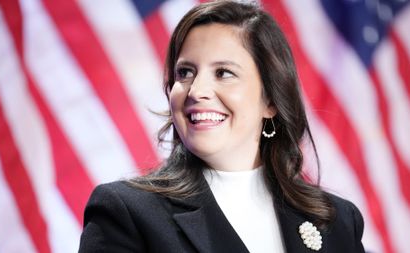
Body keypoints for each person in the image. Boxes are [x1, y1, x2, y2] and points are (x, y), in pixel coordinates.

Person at [78, 1, 365, 252]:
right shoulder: (126, 212)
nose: (196, 90)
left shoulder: (338, 221)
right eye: (185, 72)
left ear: (270, 101)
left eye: (224, 73)